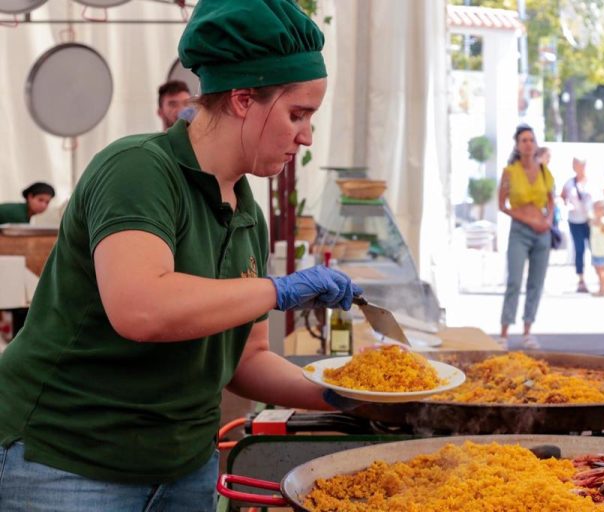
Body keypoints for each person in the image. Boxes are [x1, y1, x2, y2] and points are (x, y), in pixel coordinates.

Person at [0, 2, 361, 511]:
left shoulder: (245, 210)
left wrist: (349, 395)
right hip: (68, 463)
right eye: (296, 114)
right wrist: (277, 290)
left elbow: (246, 359)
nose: (305, 137)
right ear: (241, 99)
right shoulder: (138, 171)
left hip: (184, 467)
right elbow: (142, 308)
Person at [498, 125, 555, 350]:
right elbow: (501, 204)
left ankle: (528, 330)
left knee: (536, 282)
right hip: (520, 230)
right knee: (514, 280)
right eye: (523, 140)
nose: (528, 144)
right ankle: (504, 331)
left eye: (531, 140)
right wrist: (523, 216)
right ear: (517, 145)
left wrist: (548, 220)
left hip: (542, 232)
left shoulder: (543, 170)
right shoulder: (509, 172)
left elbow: (551, 199)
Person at [560, 156, 604, 293]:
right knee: (579, 250)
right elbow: (562, 196)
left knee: (597, 250)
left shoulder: (595, 180)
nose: (576, 167)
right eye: (574, 164)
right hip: (575, 220)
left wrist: (602, 203)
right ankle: (581, 280)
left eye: (578, 164)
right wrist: (567, 204)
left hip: (592, 221)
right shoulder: (569, 183)